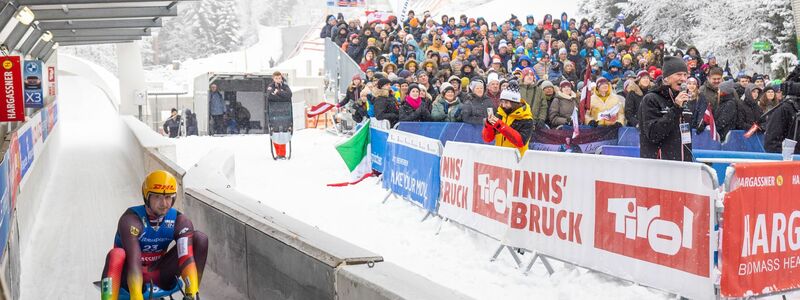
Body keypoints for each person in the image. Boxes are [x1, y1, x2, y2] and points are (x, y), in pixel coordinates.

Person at [100, 170, 208, 300]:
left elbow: (186, 257)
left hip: (159, 274)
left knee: (199, 239)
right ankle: (108, 297)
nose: (164, 204)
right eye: (157, 197)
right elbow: (134, 262)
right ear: (147, 196)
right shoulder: (131, 220)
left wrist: (191, 292)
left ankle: (193, 294)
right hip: (129, 276)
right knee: (116, 254)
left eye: (168, 197)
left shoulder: (180, 221)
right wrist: (136, 296)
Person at [638, 56, 692, 161]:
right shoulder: (651, 99)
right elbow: (654, 134)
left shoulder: (685, 100)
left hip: (683, 164)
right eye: (679, 74)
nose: (683, 78)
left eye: (685, 75)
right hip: (660, 165)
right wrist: (675, 109)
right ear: (666, 78)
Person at [482, 84, 534, 155]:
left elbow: (520, 142)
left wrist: (500, 126)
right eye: (502, 102)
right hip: (499, 157)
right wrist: (489, 125)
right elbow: (487, 139)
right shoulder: (500, 114)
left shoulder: (526, 119)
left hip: (517, 160)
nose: (503, 105)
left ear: (514, 103)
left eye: (506, 102)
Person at [267, 72, 293, 158]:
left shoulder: (285, 86)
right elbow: (270, 97)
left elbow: (289, 95)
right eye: (276, 78)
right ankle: (278, 152)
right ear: (273, 78)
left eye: (279, 78)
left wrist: (277, 92)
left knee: (284, 131)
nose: (278, 80)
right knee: (275, 132)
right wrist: (282, 96)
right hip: (274, 113)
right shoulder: (270, 86)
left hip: (285, 113)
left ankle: (282, 153)